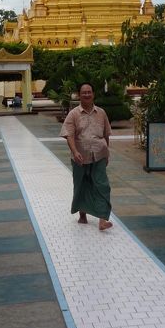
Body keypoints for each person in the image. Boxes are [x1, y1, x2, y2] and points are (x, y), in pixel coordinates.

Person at [60, 82, 113, 231]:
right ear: (79, 95)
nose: (87, 95)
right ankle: (82, 215)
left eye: (89, 92)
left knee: (102, 186)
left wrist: (107, 152)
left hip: (99, 155)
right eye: (84, 92)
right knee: (81, 185)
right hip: (80, 157)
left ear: (93, 94)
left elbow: (106, 134)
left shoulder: (101, 113)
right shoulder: (74, 114)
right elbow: (68, 134)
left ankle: (103, 219)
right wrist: (75, 151)